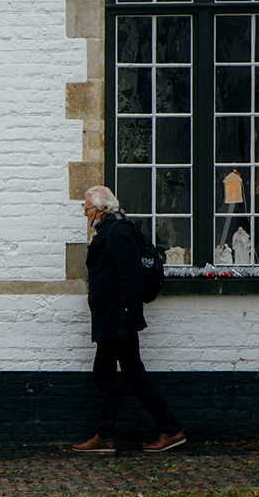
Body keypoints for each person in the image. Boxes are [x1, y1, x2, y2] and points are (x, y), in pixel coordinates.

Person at [72, 185, 186, 453]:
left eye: (87, 207)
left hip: (119, 322)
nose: (85, 212)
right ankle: (105, 436)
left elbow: (132, 281)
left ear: (100, 209)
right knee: (104, 374)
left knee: (134, 374)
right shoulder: (110, 230)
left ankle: (171, 429)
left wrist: (126, 321)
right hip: (110, 321)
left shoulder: (119, 232)